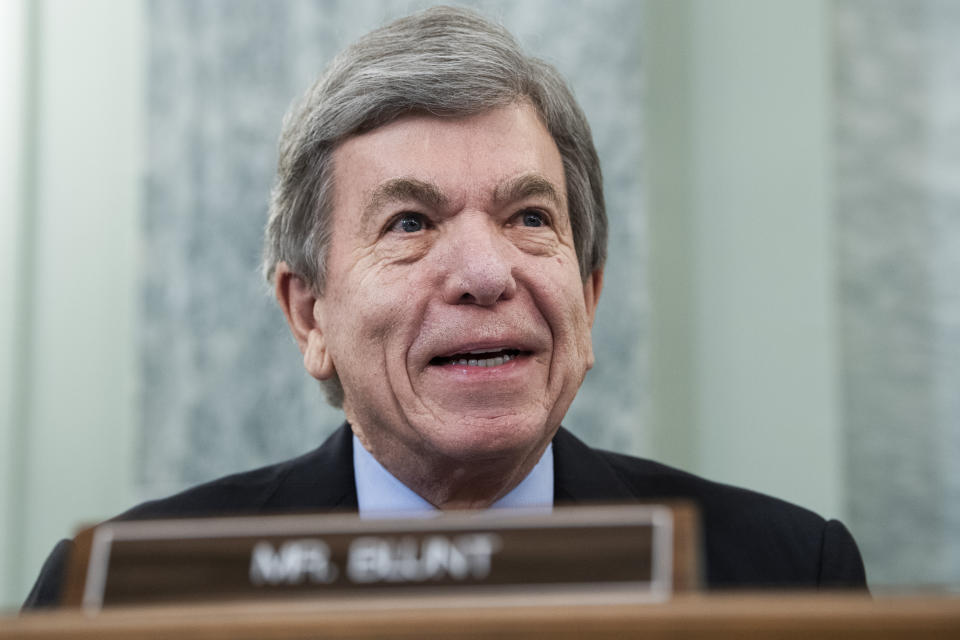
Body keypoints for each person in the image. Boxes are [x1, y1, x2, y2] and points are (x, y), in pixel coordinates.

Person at [24, 6, 866, 608]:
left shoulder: (786, 574)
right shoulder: (121, 598)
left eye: (529, 218)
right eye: (411, 223)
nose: (486, 273)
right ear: (309, 315)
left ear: (590, 293)